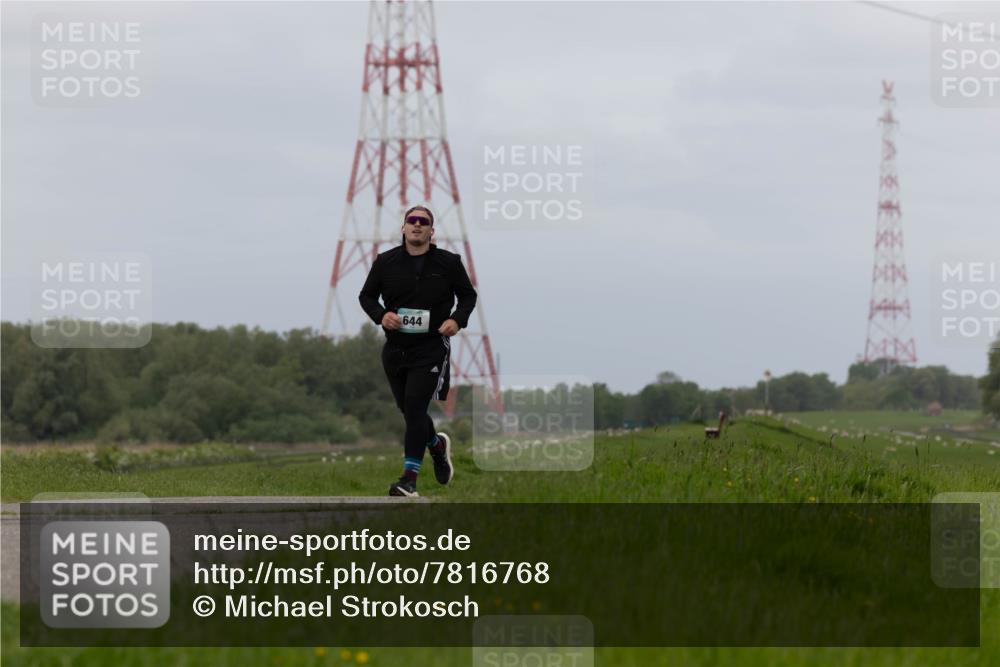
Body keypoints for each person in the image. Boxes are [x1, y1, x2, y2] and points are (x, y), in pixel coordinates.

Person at [358, 205, 477, 496]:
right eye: (411, 221)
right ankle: (436, 446)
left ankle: (408, 479)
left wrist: (456, 320)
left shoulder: (448, 263)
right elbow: (366, 296)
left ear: (431, 231)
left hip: (431, 346)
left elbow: (467, 296)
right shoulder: (386, 262)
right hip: (396, 349)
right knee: (408, 411)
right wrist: (381, 315)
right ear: (403, 228)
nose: (417, 225)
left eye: (423, 222)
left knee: (414, 405)